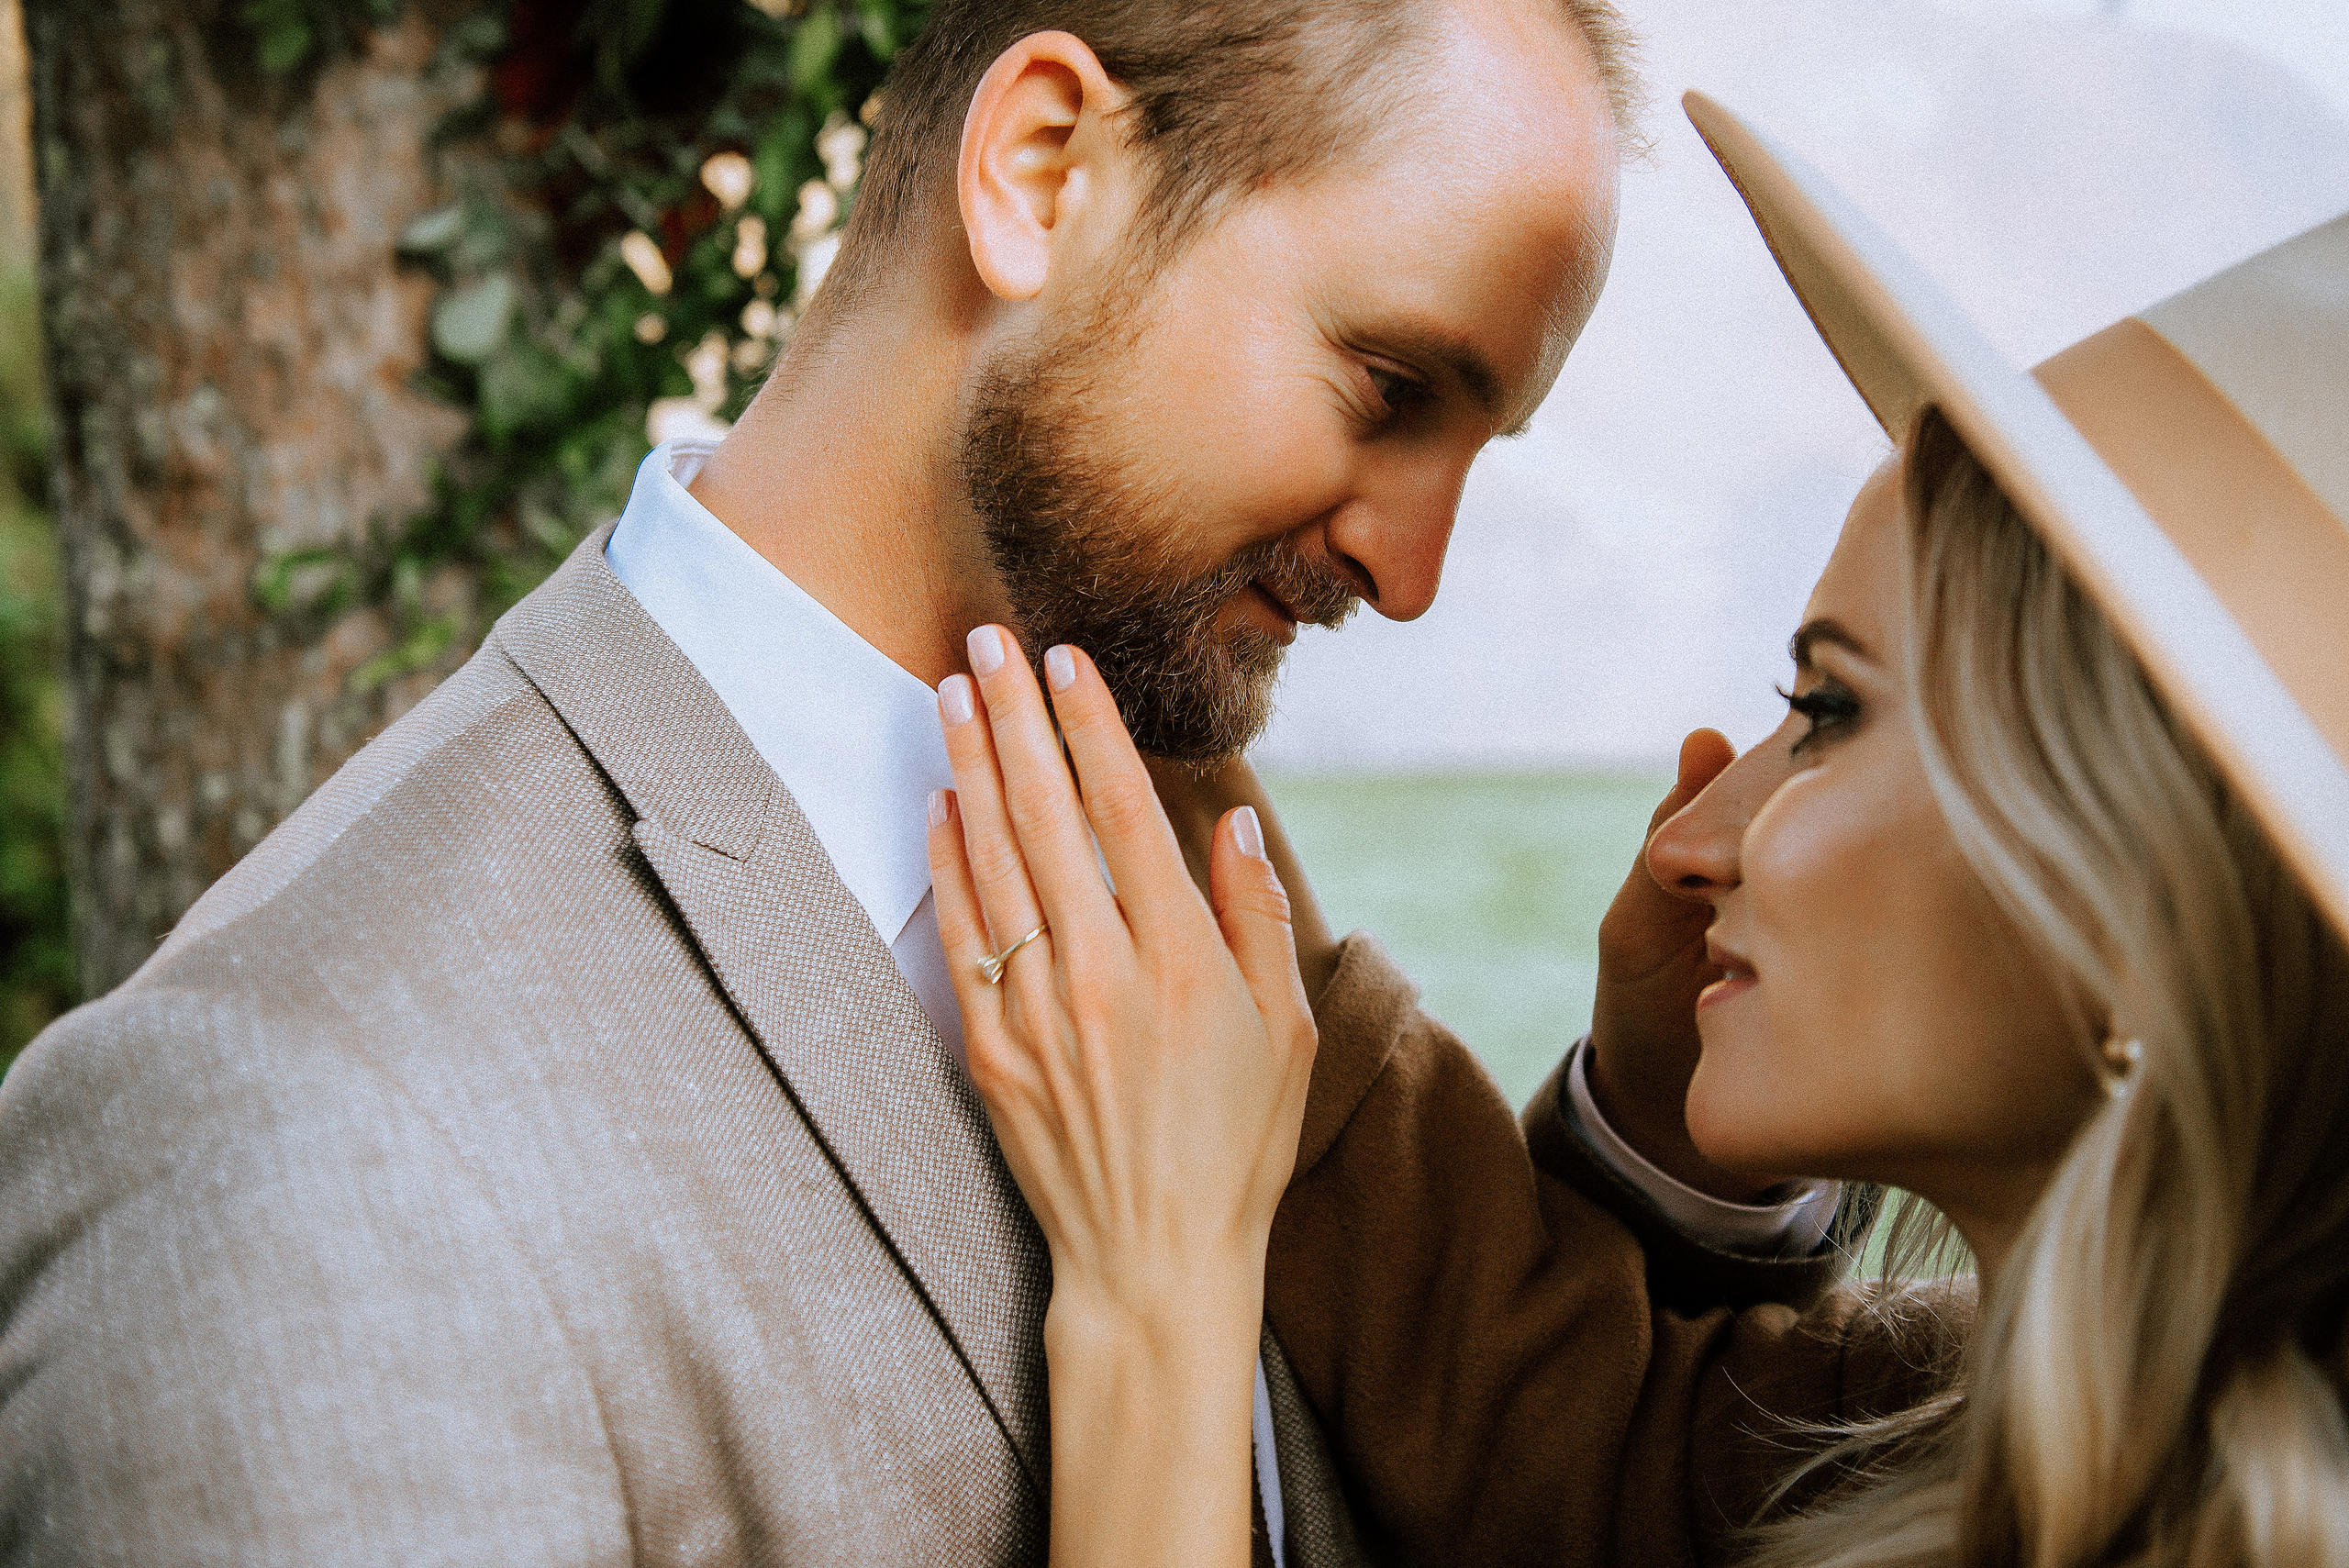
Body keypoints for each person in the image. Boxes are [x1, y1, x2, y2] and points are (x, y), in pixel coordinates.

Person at [1, 5, 1821, 1565]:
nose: (1413, 572)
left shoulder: (1174, 833)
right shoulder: (289, 1149)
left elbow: (1569, 1465)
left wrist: (1677, 1131)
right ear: (1039, 170)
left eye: (1479, 445)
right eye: (1387, 387)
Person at [923, 93, 2349, 1567]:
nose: (1683, 846)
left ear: (2135, 898)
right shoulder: (2009, 1423)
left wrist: (1156, 1299)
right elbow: (1572, 1459)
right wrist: (1659, 1143)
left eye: (1832, 710)